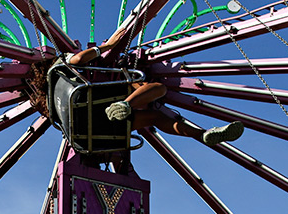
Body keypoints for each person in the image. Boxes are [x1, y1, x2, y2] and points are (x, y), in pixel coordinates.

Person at [34, 27, 244, 147]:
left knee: (154, 116)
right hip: (94, 105)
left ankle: (204, 135)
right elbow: (78, 59)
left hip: (86, 129)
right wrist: (108, 46)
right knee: (158, 89)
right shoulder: (59, 63)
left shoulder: (53, 94)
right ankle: (125, 105)